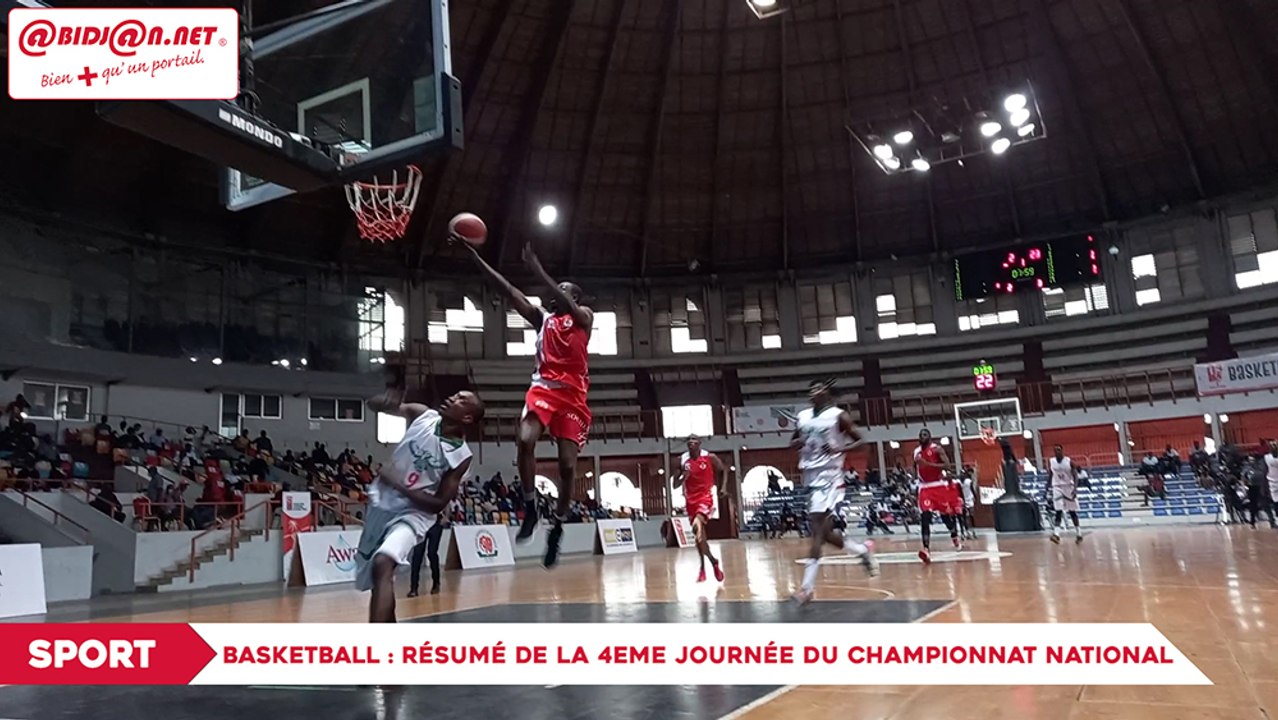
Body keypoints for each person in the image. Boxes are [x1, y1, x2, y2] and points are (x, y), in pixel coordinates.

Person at [462, 238, 592, 568]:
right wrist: (476, 258)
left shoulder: (584, 318)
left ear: (574, 297)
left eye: (562, 290)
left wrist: (539, 270)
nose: (554, 294)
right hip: (543, 390)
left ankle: (558, 526)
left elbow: (567, 301)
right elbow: (507, 289)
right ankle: (531, 508)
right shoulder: (543, 319)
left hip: (573, 398)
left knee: (566, 466)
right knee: (524, 440)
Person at [355, 388, 483, 623]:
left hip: (414, 514)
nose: (451, 398)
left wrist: (399, 485)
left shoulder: (461, 456)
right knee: (379, 580)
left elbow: (438, 504)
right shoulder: (422, 414)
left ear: (467, 418)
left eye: (460, 400)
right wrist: (379, 401)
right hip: (382, 503)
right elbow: (377, 405)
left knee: (383, 563)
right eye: (454, 395)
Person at [790, 379, 878, 605]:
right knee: (825, 534)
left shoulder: (839, 416)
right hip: (809, 476)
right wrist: (800, 440)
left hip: (831, 476)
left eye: (818, 387)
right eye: (810, 388)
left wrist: (840, 447)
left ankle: (806, 589)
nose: (813, 391)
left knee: (818, 532)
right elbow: (792, 442)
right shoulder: (803, 416)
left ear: (827, 393)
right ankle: (861, 551)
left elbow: (862, 443)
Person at [673, 434, 727, 582]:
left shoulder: (710, 457)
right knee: (699, 538)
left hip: (706, 497)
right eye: (688, 441)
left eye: (694, 441)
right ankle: (710, 563)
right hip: (690, 501)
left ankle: (704, 567)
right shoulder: (681, 460)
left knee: (697, 526)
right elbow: (674, 485)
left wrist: (722, 488)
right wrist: (684, 477)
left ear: (699, 444)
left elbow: (724, 470)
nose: (690, 443)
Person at [914, 428, 961, 564]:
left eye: (925, 435)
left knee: (945, 517)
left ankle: (954, 535)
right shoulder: (916, 452)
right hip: (924, 487)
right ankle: (926, 550)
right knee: (925, 517)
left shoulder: (937, 449)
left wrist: (928, 464)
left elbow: (947, 466)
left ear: (930, 437)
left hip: (938, 485)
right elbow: (915, 468)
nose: (922, 437)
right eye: (921, 435)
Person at [1048, 445, 1083, 544]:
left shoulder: (1069, 461)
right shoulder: (1051, 462)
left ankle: (1079, 533)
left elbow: (1075, 475)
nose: (1057, 452)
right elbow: (1050, 475)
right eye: (1055, 450)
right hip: (1057, 487)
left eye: (1059, 450)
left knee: (1072, 512)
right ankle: (1056, 534)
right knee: (1058, 511)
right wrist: (1046, 488)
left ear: (1062, 451)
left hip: (1068, 486)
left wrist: (1075, 489)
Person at [407, 513, 447, 597]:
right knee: (417, 555)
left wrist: (446, 517)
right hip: (421, 523)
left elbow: (446, 502)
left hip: (436, 522)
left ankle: (436, 583)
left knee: (432, 553)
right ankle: (414, 587)